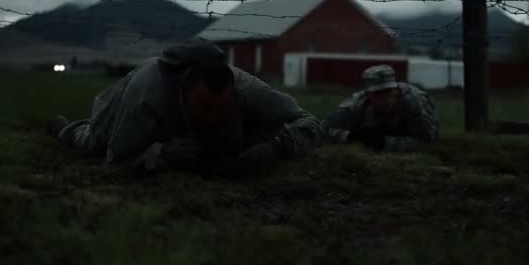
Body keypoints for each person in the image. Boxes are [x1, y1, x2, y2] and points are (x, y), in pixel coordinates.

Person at [46, 38, 322, 175]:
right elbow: (116, 160)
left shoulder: (246, 88)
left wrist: (279, 146)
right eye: (204, 108)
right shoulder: (147, 94)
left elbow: (310, 121)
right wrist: (159, 154)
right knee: (92, 144)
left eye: (221, 110)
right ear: (183, 91)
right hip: (123, 111)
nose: (213, 118)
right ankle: (63, 127)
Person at [323, 65, 438, 152]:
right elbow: (323, 129)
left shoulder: (414, 102)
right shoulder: (356, 103)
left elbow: (427, 140)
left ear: (396, 89)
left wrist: (384, 142)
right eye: (378, 93)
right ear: (368, 94)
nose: (385, 99)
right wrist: (351, 137)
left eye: (388, 91)